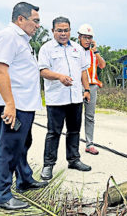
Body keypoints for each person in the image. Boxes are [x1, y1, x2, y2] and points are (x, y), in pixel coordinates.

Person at [0, 2, 48, 210]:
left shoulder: (23, 40)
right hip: (13, 105)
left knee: (22, 145)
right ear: (20, 19)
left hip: (24, 104)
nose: (38, 26)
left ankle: (24, 179)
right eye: (36, 21)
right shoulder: (8, 36)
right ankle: (3, 196)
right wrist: (10, 104)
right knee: (8, 149)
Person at [38, 17, 92, 181]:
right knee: (53, 132)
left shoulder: (77, 49)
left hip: (75, 97)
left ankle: (74, 160)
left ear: (70, 31)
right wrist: (59, 77)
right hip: (56, 99)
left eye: (66, 30)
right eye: (59, 30)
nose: (63, 33)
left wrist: (87, 89)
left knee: (74, 130)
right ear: (53, 31)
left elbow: (83, 71)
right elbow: (43, 71)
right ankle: (48, 165)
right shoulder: (46, 49)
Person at [77, 23, 106, 155]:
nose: (87, 40)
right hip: (77, 86)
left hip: (92, 86)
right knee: (75, 116)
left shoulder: (93, 53)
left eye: (89, 37)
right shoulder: (75, 50)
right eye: (85, 37)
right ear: (79, 37)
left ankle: (89, 143)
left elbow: (102, 65)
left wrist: (96, 52)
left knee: (90, 116)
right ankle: (73, 143)